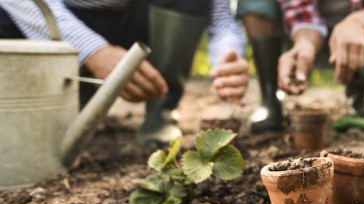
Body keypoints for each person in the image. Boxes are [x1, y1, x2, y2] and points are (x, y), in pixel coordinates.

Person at [0, 0, 249, 145]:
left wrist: (228, 55)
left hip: (140, 20)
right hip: (61, 19)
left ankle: (160, 110)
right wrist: (92, 50)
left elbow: (220, 17)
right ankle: (67, 105)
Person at [236, 0, 364, 132]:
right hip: (306, 35)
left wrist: (358, 23)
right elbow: (301, 12)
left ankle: (359, 92)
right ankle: (269, 98)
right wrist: (305, 45)